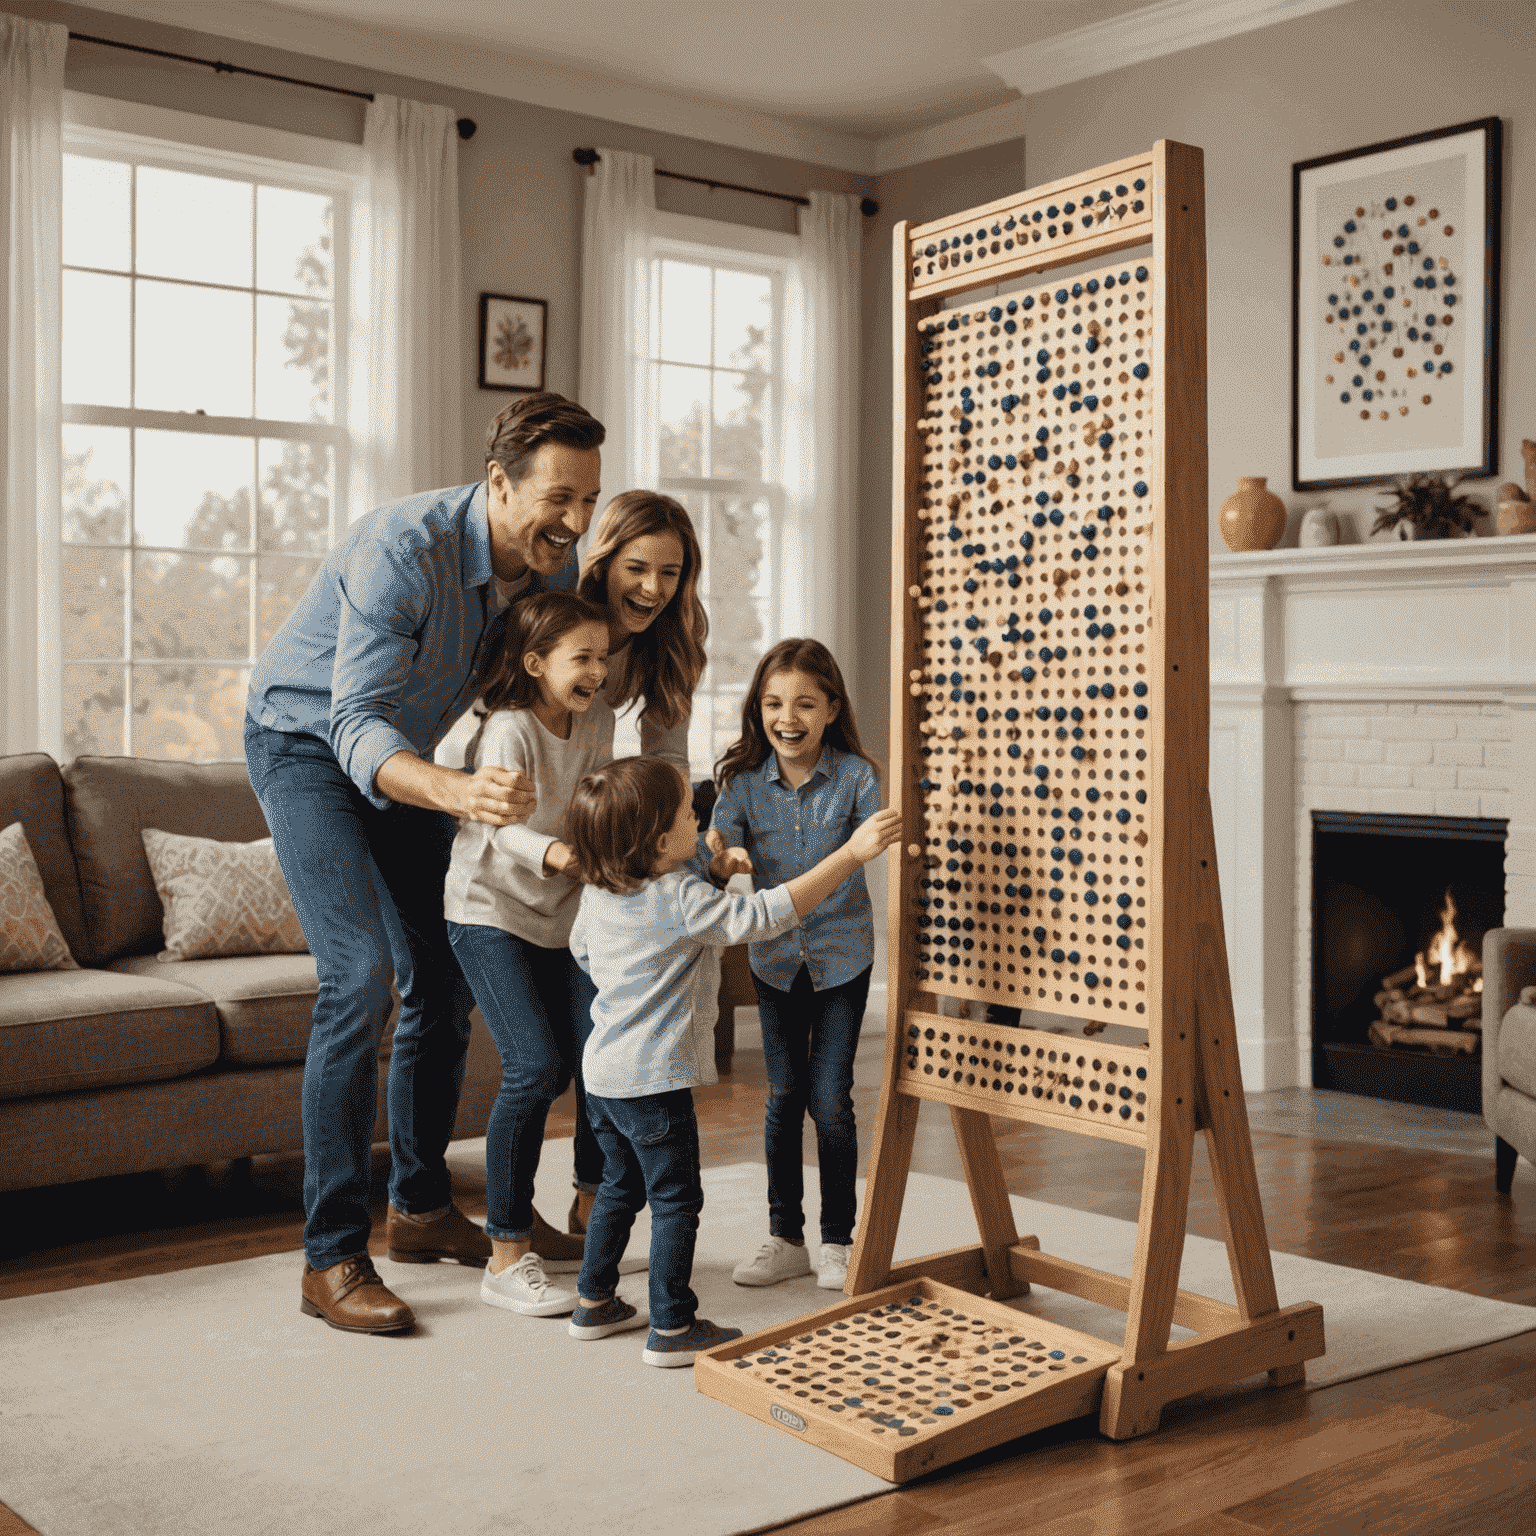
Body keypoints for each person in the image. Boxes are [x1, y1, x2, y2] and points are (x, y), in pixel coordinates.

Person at [244, 392, 604, 1335]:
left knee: (442, 973)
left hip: (401, 758)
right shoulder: (403, 551)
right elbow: (352, 722)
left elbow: (591, 658)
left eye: (587, 502)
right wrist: (456, 791)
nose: (572, 522)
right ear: (498, 483)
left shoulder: (537, 575)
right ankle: (329, 1257)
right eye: (557, 498)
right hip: (305, 744)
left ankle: (418, 1208)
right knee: (359, 976)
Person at [563, 757, 900, 1367]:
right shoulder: (680, 894)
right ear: (664, 842)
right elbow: (763, 916)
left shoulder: (600, 890)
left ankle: (594, 1300)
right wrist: (851, 855)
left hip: (604, 1075)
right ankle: (671, 1324)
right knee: (675, 1200)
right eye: (689, 816)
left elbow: (582, 952)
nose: (701, 821)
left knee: (620, 1185)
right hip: (654, 1079)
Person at [443, 592, 617, 1318]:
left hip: (565, 913)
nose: (598, 672)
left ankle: (589, 1213)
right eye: (582, 658)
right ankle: (507, 1255)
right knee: (536, 1067)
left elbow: (595, 802)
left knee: (601, 1057)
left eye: (603, 658)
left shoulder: (599, 721)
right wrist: (562, 854)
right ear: (536, 662)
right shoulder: (509, 729)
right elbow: (501, 829)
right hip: (490, 911)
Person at [710, 640, 882, 1294]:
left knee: (830, 1100)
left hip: (843, 959)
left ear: (831, 709)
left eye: (806, 703)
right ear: (758, 709)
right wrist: (725, 859)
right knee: (784, 1097)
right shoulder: (743, 785)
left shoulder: (858, 778)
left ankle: (838, 1239)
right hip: (775, 959)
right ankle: (786, 1236)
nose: (789, 716)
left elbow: (877, 836)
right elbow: (719, 842)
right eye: (775, 702)